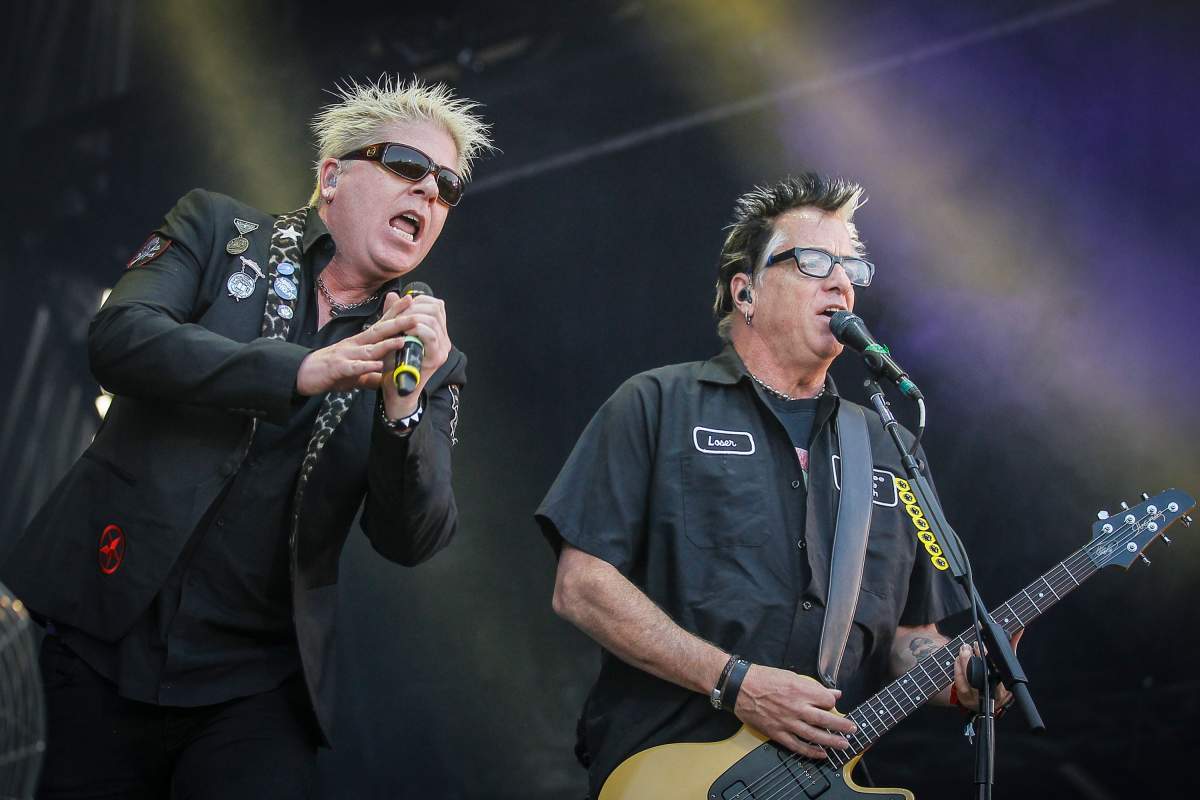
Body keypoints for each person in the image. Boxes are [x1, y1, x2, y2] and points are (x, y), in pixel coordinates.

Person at [2, 76, 492, 799]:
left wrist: (403, 412)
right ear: (332, 176)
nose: (428, 194)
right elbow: (119, 338)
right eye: (406, 166)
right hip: (101, 636)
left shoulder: (431, 359)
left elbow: (411, 537)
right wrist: (300, 370)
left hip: (255, 686)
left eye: (446, 186)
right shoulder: (217, 232)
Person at [537, 174, 1018, 798]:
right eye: (814, 261)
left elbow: (908, 638)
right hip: (671, 772)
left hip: (819, 781)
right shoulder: (658, 405)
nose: (841, 280)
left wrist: (963, 678)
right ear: (747, 292)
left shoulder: (889, 449)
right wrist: (735, 682)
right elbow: (583, 587)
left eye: (852, 267)